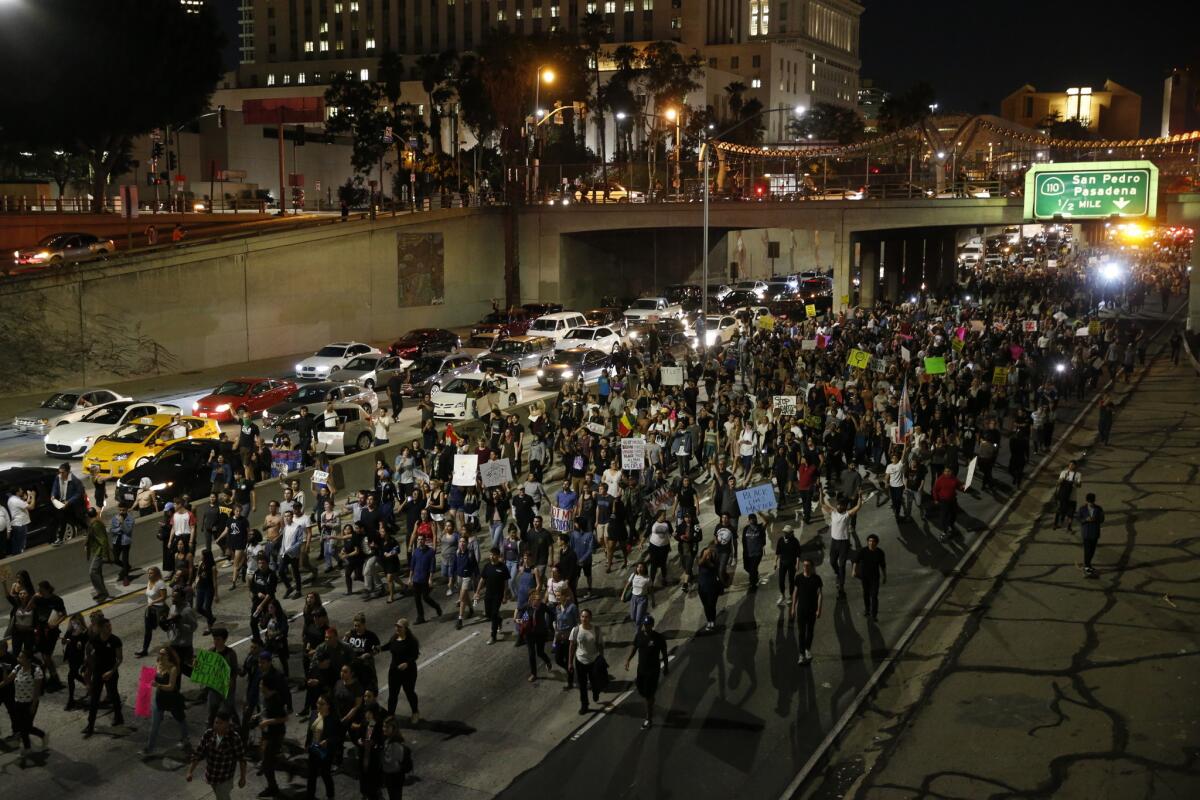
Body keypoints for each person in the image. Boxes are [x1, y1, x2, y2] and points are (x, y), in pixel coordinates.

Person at [186, 710, 248, 800]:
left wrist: (243, 778)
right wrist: (190, 771)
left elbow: (242, 759)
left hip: (225, 778)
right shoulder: (208, 734)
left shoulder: (234, 738)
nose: (216, 725)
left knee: (222, 797)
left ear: (227, 724)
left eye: (220, 723)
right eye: (216, 722)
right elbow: (198, 754)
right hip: (212, 776)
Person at [143, 646, 190, 756]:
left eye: (163, 654)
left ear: (169, 656)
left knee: (180, 720)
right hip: (160, 699)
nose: (161, 655)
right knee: (154, 725)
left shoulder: (173, 668)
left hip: (172, 699)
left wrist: (158, 685)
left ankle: (185, 738)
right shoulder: (158, 663)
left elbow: (171, 687)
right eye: (160, 653)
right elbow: (154, 676)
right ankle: (149, 748)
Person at [83, 616, 125, 737]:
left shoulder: (115, 640)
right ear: (101, 628)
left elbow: (120, 659)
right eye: (107, 626)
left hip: (111, 672)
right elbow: (88, 649)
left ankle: (119, 717)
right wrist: (89, 663)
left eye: (110, 626)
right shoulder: (95, 639)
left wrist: (111, 672)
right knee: (94, 699)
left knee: (114, 695)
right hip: (98, 672)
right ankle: (90, 725)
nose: (110, 628)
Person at [624, 614, 668, 730]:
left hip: (653, 671)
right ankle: (650, 698)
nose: (646, 627)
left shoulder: (658, 638)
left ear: (652, 625)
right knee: (641, 691)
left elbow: (664, 653)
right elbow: (634, 648)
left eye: (648, 625)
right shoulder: (639, 636)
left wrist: (666, 667)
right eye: (644, 624)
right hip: (641, 669)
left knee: (648, 696)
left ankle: (648, 718)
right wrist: (628, 659)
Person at [821, 492, 862, 595]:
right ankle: (838, 573)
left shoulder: (847, 514)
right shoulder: (833, 513)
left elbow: (858, 507)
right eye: (838, 505)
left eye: (841, 505)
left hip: (844, 543)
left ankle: (841, 587)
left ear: (844, 506)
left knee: (842, 565)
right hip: (834, 542)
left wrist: (860, 496)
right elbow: (822, 503)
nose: (839, 506)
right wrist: (820, 491)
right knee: (832, 562)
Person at [568, 608, 606, 714]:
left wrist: (602, 659)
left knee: (594, 681)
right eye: (582, 617)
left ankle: (595, 692)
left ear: (590, 618)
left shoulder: (596, 630)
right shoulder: (575, 630)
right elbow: (572, 646)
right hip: (580, 661)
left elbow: (600, 646)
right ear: (580, 618)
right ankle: (584, 705)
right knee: (582, 685)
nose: (584, 619)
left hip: (593, 660)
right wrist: (570, 663)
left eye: (586, 617)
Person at [305, 694, 341, 800]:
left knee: (325, 774)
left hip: (326, 752)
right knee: (311, 775)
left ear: (328, 706)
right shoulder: (314, 713)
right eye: (318, 703)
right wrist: (307, 744)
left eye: (322, 704)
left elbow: (338, 736)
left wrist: (328, 741)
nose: (319, 706)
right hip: (313, 748)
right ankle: (310, 796)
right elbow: (309, 731)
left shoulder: (333, 719)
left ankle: (330, 796)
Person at [385, 619, 420, 723]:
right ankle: (391, 715)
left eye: (400, 627)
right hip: (394, 671)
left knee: (409, 692)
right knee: (392, 695)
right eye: (396, 626)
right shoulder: (394, 638)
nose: (397, 628)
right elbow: (388, 645)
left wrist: (407, 663)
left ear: (405, 629)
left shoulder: (412, 641)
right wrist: (379, 649)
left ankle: (415, 712)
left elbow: (415, 655)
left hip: (408, 672)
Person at [790, 557, 823, 665]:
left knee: (810, 631)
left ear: (812, 567)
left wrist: (819, 609)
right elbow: (795, 593)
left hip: (812, 610)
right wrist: (793, 608)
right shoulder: (798, 578)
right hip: (801, 610)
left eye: (807, 565)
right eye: (804, 565)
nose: (805, 567)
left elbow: (820, 595)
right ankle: (801, 654)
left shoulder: (816, 579)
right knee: (801, 633)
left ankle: (807, 649)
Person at [475, 548, 511, 644]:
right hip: (488, 594)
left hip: (498, 595)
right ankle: (499, 620)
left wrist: (505, 596)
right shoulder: (487, 566)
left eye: (494, 555)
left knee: (494, 614)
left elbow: (506, 583)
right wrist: (477, 592)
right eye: (491, 554)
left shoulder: (503, 567)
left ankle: (493, 636)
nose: (492, 556)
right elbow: (482, 580)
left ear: (498, 556)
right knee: (488, 614)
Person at [519, 591, 553, 681]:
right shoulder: (527, 607)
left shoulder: (542, 606)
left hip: (541, 633)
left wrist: (550, 626)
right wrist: (519, 619)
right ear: (531, 599)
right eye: (536, 599)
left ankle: (548, 661)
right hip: (529, 634)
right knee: (531, 654)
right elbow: (519, 611)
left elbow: (552, 614)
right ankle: (534, 674)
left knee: (540, 652)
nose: (538, 601)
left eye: (539, 599)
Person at [407, 535, 442, 624]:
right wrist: (410, 578)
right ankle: (420, 617)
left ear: (425, 540)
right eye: (418, 539)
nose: (420, 541)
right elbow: (412, 566)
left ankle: (436, 606)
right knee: (417, 599)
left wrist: (430, 578)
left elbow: (432, 566)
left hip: (425, 579)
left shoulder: (430, 552)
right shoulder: (416, 551)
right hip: (416, 579)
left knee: (425, 597)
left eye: (422, 539)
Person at [51, 462, 86, 546]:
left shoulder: (75, 480)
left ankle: (87, 529)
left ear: (67, 472)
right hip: (63, 503)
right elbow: (55, 487)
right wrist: (53, 495)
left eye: (62, 472)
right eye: (59, 472)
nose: (60, 474)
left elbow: (79, 493)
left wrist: (69, 501)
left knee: (76, 518)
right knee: (64, 520)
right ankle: (60, 539)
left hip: (73, 503)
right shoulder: (58, 478)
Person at [852, 535, 887, 620]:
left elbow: (883, 565)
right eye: (869, 541)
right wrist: (854, 571)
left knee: (874, 595)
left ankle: (874, 614)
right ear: (867, 542)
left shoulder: (880, 552)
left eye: (873, 541)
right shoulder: (863, 551)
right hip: (865, 577)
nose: (871, 543)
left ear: (876, 543)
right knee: (866, 594)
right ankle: (867, 609)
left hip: (875, 577)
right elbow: (856, 561)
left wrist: (885, 576)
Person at [85, 508, 113, 601]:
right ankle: (102, 593)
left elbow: (103, 540)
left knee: (92, 572)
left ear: (88, 516)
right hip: (97, 551)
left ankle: (102, 593)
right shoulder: (94, 523)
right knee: (98, 573)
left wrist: (105, 555)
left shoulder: (96, 525)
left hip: (99, 552)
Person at [695, 541, 723, 632]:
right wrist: (704, 555)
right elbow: (699, 563)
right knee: (706, 606)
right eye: (708, 551)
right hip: (702, 587)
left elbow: (712, 566)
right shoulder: (702, 558)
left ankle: (713, 621)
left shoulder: (715, 560)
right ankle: (709, 621)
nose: (708, 553)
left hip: (712, 587)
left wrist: (707, 558)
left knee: (712, 605)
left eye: (711, 551)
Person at [1076, 492, 1105, 577]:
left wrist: (1095, 519)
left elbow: (1102, 519)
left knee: (1092, 550)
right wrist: (1086, 519)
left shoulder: (1099, 509)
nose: (1091, 504)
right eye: (1089, 502)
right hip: (1086, 533)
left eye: (1092, 502)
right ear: (1087, 501)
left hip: (1095, 533)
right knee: (1087, 550)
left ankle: (1088, 565)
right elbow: (1078, 519)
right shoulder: (1082, 509)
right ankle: (1087, 566)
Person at [931, 466, 965, 540]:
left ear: (951, 472)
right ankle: (944, 531)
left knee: (953, 514)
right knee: (943, 517)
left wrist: (963, 487)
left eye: (948, 471)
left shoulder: (954, 478)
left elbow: (958, 486)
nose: (947, 473)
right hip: (944, 501)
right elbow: (935, 490)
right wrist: (936, 499)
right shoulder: (940, 479)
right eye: (945, 471)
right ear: (944, 472)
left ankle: (951, 526)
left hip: (952, 500)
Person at [774, 524, 800, 607]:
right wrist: (775, 562)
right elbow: (777, 552)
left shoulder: (795, 541)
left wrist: (797, 564)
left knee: (791, 580)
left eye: (787, 532)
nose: (785, 534)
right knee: (781, 580)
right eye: (784, 532)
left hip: (792, 564)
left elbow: (798, 554)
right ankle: (782, 595)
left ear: (791, 533)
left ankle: (791, 596)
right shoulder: (780, 540)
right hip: (782, 563)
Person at [1053, 461, 1083, 531]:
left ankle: (1069, 526)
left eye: (1072, 465)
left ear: (1075, 466)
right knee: (1059, 510)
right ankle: (1055, 524)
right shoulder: (1064, 472)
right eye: (1070, 465)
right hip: (1063, 496)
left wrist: (1075, 483)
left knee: (1071, 512)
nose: (1071, 466)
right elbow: (1058, 482)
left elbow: (1080, 485)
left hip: (1072, 496)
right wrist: (1060, 481)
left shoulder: (1078, 474)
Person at [741, 513, 767, 591]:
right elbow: (743, 540)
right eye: (751, 519)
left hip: (757, 553)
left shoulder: (760, 528)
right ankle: (755, 575)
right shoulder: (746, 528)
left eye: (754, 518)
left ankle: (753, 585)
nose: (753, 520)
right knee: (747, 568)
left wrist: (760, 513)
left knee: (752, 569)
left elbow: (767, 521)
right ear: (748, 520)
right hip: (747, 553)